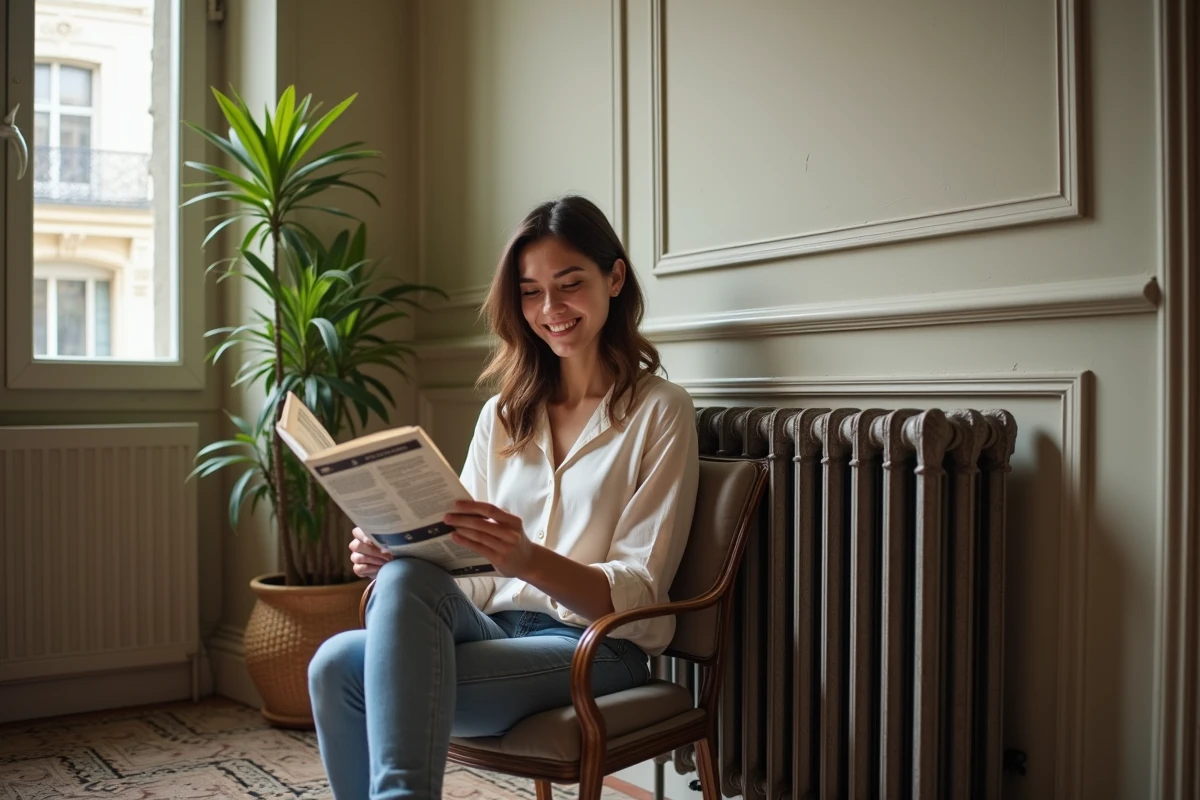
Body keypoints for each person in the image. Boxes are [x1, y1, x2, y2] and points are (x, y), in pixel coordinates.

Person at [308, 195, 701, 800]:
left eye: (570, 284)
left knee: (369, 677)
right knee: (337, 658)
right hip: (496, 629)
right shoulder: (504, 414)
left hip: (598, 648)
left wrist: (528, 559)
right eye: (531, 292)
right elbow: (475, 575)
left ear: (614, 277)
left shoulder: (660, 411)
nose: (551, 308)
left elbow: (641, 589)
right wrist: (403, 556)